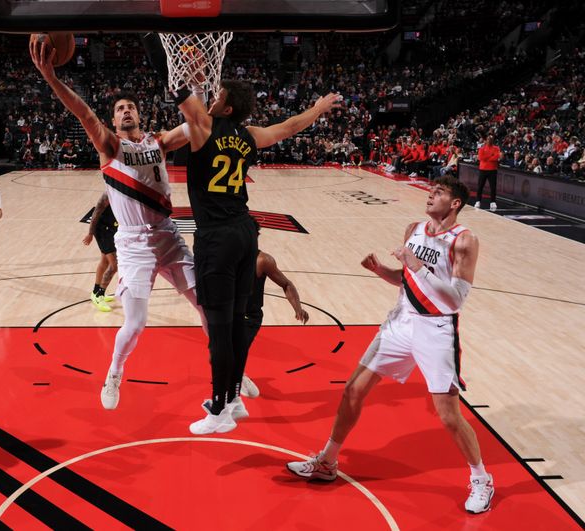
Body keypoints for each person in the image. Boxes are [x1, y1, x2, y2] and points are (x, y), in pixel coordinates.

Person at [286, 176, 495, 515]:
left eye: (439, 193)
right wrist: (383, 271)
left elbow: (455, 299)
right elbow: (406, 279)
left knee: (448, 415)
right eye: (431, 191)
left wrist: (418, 267)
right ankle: (328, 461)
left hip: (436, 329)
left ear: (455, 203)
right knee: (353, 389)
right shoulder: (413, 228)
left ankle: (482, 479)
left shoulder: (464, 240)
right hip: (401, 321)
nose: (431, 196)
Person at [30, 35, 207, 411]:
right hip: (132, 245)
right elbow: (84, 114)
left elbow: (197, 125)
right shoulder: (111, 147)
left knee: (207, 306)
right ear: (113, 120)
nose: (126, 111)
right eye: (120, 109)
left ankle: (229, 369)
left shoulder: (159, 142)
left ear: (140, 115)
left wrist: (198, 85)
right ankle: (114, 372)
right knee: (137, 322)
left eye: (131, 107)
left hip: (169, 238)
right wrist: (51, 78)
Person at [174, 79, 341, 434]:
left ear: (226, 107)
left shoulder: (203, 127)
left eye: (217, 96)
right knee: (234, 326)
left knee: (219, 332)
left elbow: (181, 96)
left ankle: (218, 410)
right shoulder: (249, 135)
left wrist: (158, 50)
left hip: (216, 239)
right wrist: (319, 108)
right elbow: (293, 125)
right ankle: (233, 399)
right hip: (245, 233)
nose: (212, 99)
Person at [240, 225, 310, 400]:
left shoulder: (263, 260)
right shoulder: (228, 255)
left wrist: (298, 308)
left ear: (256, 236)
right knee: (216, 356)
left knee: (237, 351)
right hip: (230, 313)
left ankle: (237, 381)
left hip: (250, 316)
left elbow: (286, 284)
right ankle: (237, 376)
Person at [83, 192, 118, 312]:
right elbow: (95, 214)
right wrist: (90, 234)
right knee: (114, 265)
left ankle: (95, 292)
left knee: (104, 261)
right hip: (102, 230)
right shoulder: (108, 196)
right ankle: (99, 295)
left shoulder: (126, 194)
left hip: (112, 229)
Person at [475, 135, 501, 211]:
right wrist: (490, 156)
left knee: (493, 187)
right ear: (486, 140)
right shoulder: (482, 148)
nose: (490, 140)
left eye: (491, 139)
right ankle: (478, 201)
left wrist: (487, 157)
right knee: (480, 186)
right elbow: (480, 158)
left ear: (493, 140)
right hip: (483, 169)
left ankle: (493, 202)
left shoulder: (496, 148)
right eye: (488, 139)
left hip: (493, 170)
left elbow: (496, 157)